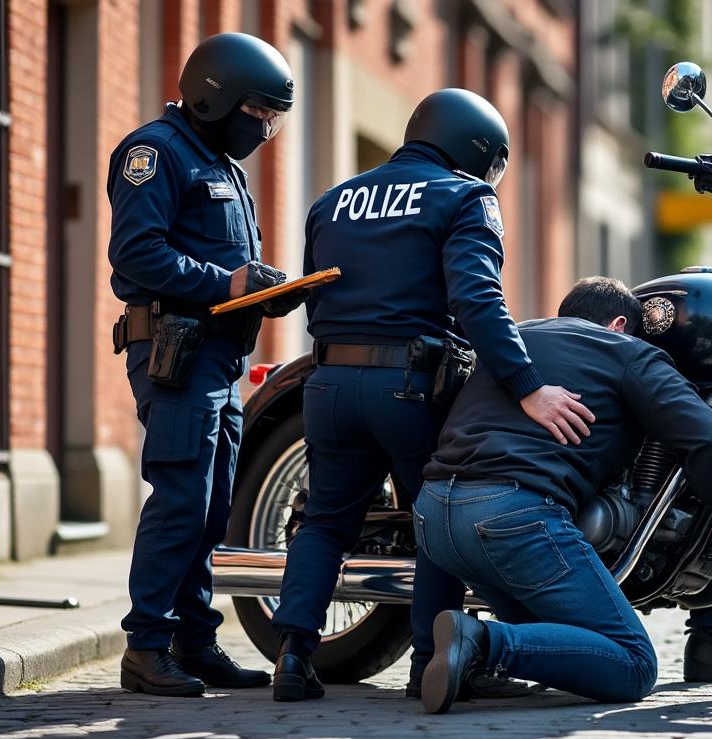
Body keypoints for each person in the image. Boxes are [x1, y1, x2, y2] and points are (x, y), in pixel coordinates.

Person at [268, 89, 595, 703]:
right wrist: (527, 387)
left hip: (329, 382)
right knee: (435, 523)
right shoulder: (465, 196)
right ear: (478, 150)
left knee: (324, 523)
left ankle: (292, 656)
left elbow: (320, 295)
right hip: (410, 388)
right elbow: (477, 299)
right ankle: (430, 664)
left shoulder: (332, 201)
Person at [414, 277, 712, 714]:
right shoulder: (625, 350)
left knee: (566, 644)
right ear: (619, 325)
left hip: (432, 519)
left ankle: (472, 653)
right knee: (634, 664)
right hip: (510, 519)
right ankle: (480, 642)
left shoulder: (516, 339)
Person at [108, 33, 305, 696]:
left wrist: (264, 290)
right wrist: (227, 284)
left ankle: (194, 643)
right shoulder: (155, 153)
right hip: (175, 351)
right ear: (214, 97)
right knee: (182, 499)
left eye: (274, 117)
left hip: (220, 358)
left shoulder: (222, 166)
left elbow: (226, 267)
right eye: (259, 112)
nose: (266, 127)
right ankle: (146, 646)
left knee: (214, 505)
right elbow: (136, 253)